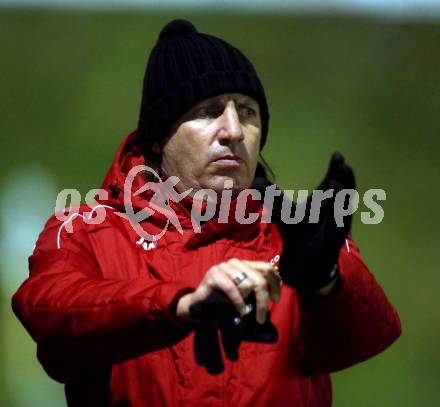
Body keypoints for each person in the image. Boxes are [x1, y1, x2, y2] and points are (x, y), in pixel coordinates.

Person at [12, 19, 401, 406]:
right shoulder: (88, 229)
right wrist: (182, 304)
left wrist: (327, 281)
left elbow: (368, 339)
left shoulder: (299, 234)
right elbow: (49, 313)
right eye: (208, 110)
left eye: (248, 112)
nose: (233, 130)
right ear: (161, 137)